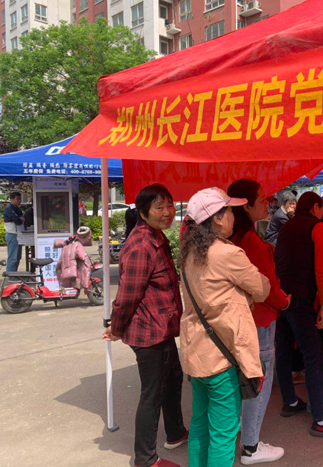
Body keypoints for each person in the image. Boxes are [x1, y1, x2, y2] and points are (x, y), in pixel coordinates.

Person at [180, 187, 270, 467]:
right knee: (223, 432)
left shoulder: (190, 252)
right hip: (223, 357)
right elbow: (262, 288)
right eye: (230, 210)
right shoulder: (227, 254)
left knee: (199, 424)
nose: (233, 216)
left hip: (198, 354)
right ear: (218, 218)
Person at [103, 184, 187, 467]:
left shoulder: (156, 236)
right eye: (159, 207)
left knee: (173, 380)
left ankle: (175, 432)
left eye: (170, 205)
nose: (167, 212)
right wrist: (116, 328)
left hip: (162, 326)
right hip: (149, 332)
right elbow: (128, 295)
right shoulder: (141, 246)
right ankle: (146, 458)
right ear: (142, 212)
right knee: (152, 393)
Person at [274, 192, 323, 439]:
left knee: (284, 351)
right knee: (313, 354)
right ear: (316, 207)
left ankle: (290, 401)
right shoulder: (316, 227)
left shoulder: (287, 227)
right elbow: (322, 269)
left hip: (281, 297)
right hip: (300, 299)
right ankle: (321, 418)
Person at [225, 179, 290, 465]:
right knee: (258, 381)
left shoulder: (232, 238)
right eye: (262, 199)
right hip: (260, 318)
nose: (268, 203)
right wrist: (285, 301)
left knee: (241, 379)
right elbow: (267, 288)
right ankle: (251, 446)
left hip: (237, 319)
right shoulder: (249, 242)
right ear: (246, 206)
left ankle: (241, 434)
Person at [55, 226, 93, 292]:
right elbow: (82, 256)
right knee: (85, 268)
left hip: (65, 270)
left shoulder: (65, 247)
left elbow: (60, 262)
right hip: (73, 269)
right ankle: (84, 286)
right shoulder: (77, 245)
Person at [4, 191, 24, 272]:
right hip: (12, 235)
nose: (19, 201)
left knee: (18, 257)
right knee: (13, 258)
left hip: (18, 235)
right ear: (12, 199)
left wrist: (20, 219)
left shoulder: (17, 209)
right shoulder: (8, 209)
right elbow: (18, 221)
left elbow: (22, 218)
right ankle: (10, 276)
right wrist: (20, 219)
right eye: (17, 199)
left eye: (20, 199)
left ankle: (14, 274)